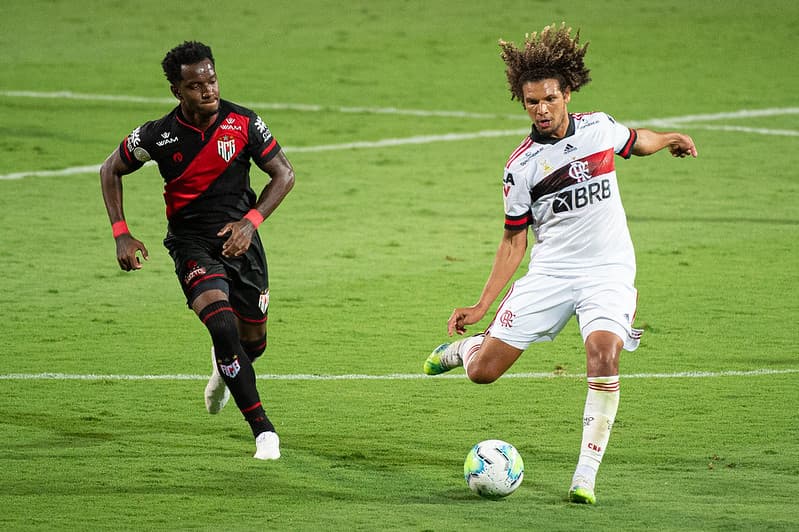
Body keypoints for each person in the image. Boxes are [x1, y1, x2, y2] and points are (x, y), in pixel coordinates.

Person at [423, 24, 697, 504]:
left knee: (604, 354)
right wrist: (482, 304)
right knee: (484, 372)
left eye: (550, 98)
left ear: (567, 93)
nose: (542, 109)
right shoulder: (521, 167)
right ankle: (463, 351)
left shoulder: (598, 128)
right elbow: (513, 242)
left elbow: (637, 140)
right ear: (522, 103)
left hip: (609, 272)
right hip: (551, 275)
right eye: (531, 102)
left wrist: (671, 137)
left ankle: (584, 476)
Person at [100, 41, 295, 460]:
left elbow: (284, 174)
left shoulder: (243, 122)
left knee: (252, 343)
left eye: (212, 80)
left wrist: (250, 222)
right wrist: (122, 233)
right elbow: (110, 168)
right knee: (222, 327)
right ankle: (263, 431)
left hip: (242, 242)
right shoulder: (158, 134)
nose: (208, 90)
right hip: (191, 244)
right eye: (196, 85)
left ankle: (224, 369)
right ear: (177, 91)